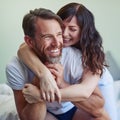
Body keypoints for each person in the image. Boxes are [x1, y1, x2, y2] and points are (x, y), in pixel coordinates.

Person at [17, 2, 118, 120]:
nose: (64, 34)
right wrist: (44, 75)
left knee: (105, 115)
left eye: (72, 29)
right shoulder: (55, 44)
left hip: (97, 82)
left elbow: (84, 91)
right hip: (69, 90)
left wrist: (40, 95)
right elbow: (23, 49)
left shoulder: (93, 54)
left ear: (83, 31)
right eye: (62, 28)